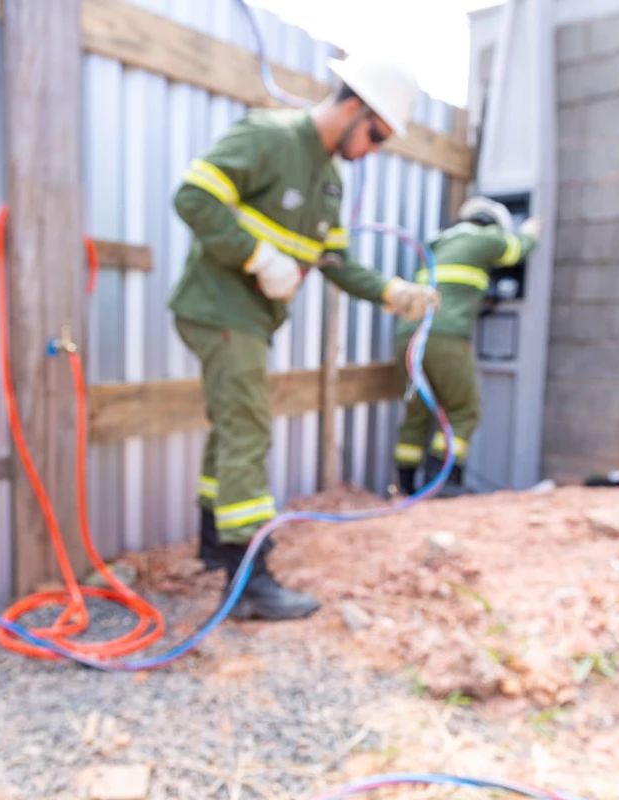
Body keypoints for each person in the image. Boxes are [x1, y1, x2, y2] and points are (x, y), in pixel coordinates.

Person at [169, 54, 441, 621]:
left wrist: (392, 293)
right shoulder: (269, 137)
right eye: (377, 133)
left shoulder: (330, 182)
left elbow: (336, 264)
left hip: (249, 319)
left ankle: (218, 549)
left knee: (233, 431)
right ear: (351, 107)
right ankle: (249, 582)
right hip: (219, 308)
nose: (375, 148)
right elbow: (192, 197)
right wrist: (256, 256)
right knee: (248, 427)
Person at [391, 197, 541, 498]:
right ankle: (442, 484)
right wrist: (530, 234)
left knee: (417, 414)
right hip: (445, 336)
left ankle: (404, 489)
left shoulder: (435, 242)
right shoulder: (485, 238)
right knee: (463, 411)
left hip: (407, 335)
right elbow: (516, 251)